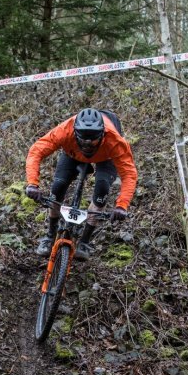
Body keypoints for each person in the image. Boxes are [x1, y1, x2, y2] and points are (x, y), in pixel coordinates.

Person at [24, 108, 138, 261]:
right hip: (72, 154)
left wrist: (121, 205)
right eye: (84, 139)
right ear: (75, 131)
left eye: (93, 139)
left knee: (102, 190)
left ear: (102, 134)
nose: (88, 143)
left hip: (105, 157)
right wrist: (32, 184)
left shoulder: (114, 140)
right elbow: (36, 151)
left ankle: (84, 242)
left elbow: (129, 173)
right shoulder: (65, 130)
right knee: (57, 188)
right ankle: (50, 235)